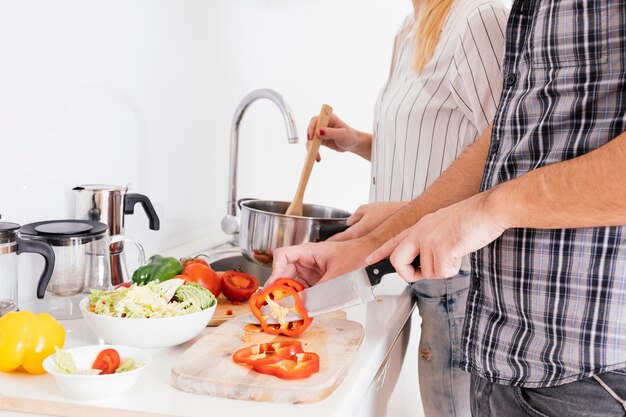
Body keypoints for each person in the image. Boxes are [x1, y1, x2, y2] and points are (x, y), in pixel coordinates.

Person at [274, 0, 626, 416]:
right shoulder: (410, 31)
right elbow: (510, 138)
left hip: (581, 363)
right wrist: (370, 241)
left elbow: (501, 162)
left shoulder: (478, 19)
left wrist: (479, 211)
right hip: (502, 343)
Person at [270, 1, 508, 416]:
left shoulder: (479, 18)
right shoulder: (410, 29)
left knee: (449, 408)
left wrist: (404, 215)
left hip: (451, 269)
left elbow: (506, 153)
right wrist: (357, 141)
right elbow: (436, 149)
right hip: (402, 257)